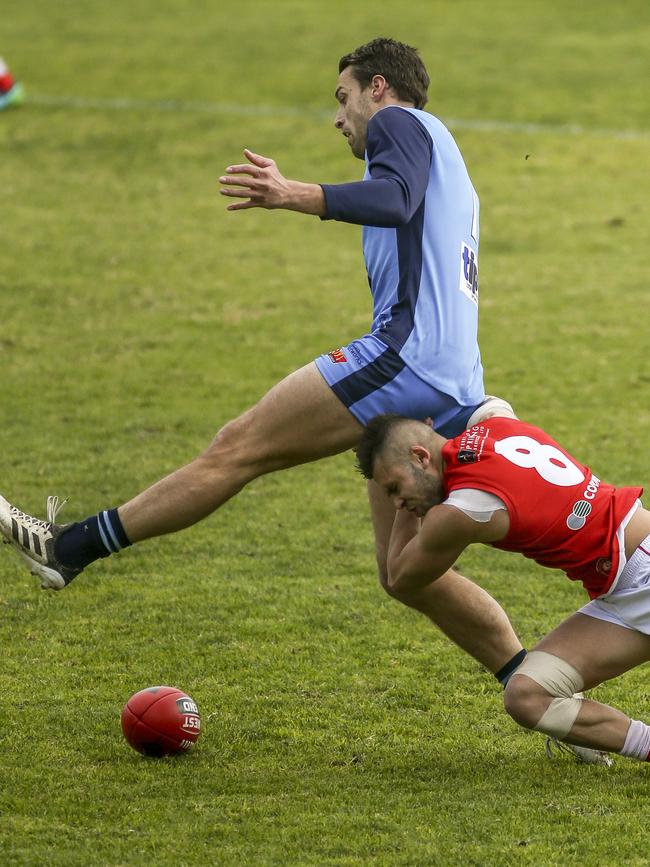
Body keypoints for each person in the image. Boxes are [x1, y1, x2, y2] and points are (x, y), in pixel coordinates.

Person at [2, 40, 526, 703]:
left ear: (381, 88)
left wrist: (292, 193)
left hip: (405, 362)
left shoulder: (401, 124)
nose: (340, 119)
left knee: (237, 447)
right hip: (451, 385)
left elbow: (394, 200)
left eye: (344, 98)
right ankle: (538, 684)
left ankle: (67, 548)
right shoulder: (452, 164)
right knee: (402, 574)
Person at [355, 409, 650, 764]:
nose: (397, 503)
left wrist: (410, 507)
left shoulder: (463, 508)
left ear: (420, 456)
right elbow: (474, 401)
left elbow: (400, 577)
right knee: (526, 696)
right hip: (621, 591)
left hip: (641, 570)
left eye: (394, 488)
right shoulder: (494, 421)